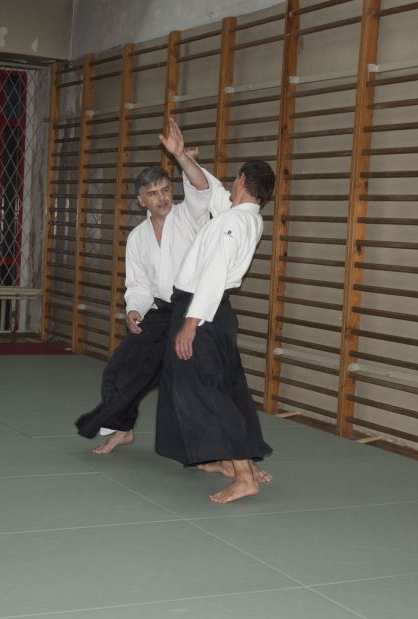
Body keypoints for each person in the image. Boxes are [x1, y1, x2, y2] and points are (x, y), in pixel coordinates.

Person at [75, 119, 214, 454]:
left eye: (165, 190)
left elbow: (201, 188)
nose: (162, 197)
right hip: (159, 311)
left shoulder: (190, 216)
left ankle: (208, 448)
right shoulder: (137, 237)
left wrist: (181, 157)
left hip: (191, 310)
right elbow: (138, 283)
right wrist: (134, 310)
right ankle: (123, 428)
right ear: (141, 200)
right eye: (153, 193)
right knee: (120, 369)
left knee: (182, 380)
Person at [155, 160, 277, 504]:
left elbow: (214, 272)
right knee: (227, 387)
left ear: (242, 180)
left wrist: (190, 323)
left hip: (202, 310)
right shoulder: (247, 216)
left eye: (234, 180)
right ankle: (229, 459)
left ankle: (243, 474)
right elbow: (210, 190)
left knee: (208, 391)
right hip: (216, 312)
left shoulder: (233, 222)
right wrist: (182, 157)